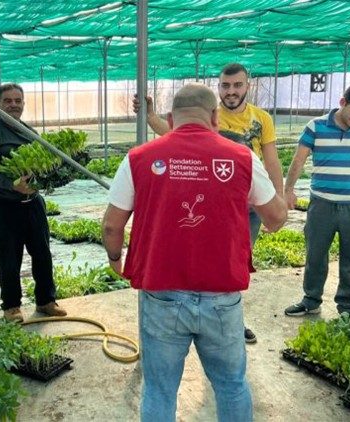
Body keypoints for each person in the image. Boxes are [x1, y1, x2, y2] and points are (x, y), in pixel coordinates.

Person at [104, 83, 287, 421]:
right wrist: (280, 197)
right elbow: (275, 219)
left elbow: (112, 226)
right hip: (221, 298)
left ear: (171, 119)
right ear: (215, 116)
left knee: (159, 389)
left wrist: (116, 259)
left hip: (162, 296)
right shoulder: (241, 158)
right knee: (231, 383)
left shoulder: (139, 159)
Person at [134, 63, 283, 344]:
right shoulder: (205, 113)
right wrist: (150, 113)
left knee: (236, 259)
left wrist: (279, 193)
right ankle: (204, 313)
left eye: (237, 85)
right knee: (204, 254)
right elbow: (169, 132)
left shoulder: (261, 119)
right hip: (215, 202)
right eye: (226, 86)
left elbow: (271, 158)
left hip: (248, 205)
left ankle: (231, 317)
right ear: (218, 93)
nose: (231, 91)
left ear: (247, 86)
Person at [283, 83, 350, 317]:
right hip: (322, 204)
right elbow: (298, 160)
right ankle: (311, 300)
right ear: (342, 103)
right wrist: (288, 190)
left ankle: (347, 309)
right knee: (315, 254)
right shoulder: (315, 126)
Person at [0, 83, 66, 323]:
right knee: (9, 257)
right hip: (5, 205)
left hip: (33, 203)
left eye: (18, 100)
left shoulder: (28, 131)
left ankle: (46, 300)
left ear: (23, 104)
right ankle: (12, 307)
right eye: (8, 101)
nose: (13, 105)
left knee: (42, 253)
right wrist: (12, 184)